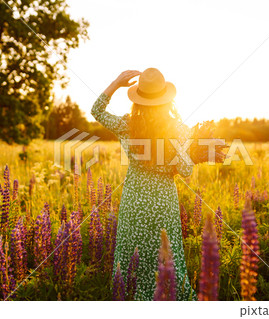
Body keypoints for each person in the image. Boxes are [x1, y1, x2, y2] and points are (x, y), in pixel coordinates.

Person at [91, 68, 196, 300]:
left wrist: (116, 83)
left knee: (132, 252)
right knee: (166, 253)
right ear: (166, 99)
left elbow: (96, 111)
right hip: (163, 203)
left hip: (134, 200)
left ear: (138, 99)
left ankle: (129, 296)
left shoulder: (127, 125)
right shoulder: (178, 129)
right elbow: (187, 170)